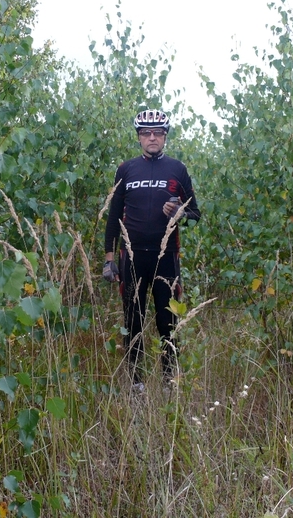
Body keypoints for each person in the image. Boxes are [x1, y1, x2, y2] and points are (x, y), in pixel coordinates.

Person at [103, 109, 201, 391]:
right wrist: (109, 259)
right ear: (138, 138)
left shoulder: (177, 170)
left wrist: (179, 211)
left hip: (166, 257)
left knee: (167, 322)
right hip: (131, 258)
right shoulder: (126, 169)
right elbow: (113, 216)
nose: (152, 137)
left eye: (158, 132)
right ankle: (136, 385)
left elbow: (195, 212)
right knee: (133, 321)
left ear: (166, 136)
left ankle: (170, 382)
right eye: (146, 133)